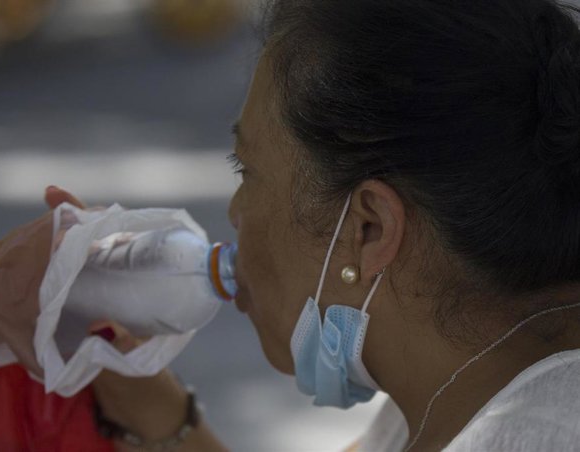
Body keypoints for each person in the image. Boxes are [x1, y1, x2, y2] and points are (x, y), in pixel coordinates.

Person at [77, 0, 580, 450]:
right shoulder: (464, 386)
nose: (234, 212)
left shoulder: (527, 434)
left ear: (369, 230)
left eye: (246, 173)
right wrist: (153, 410)